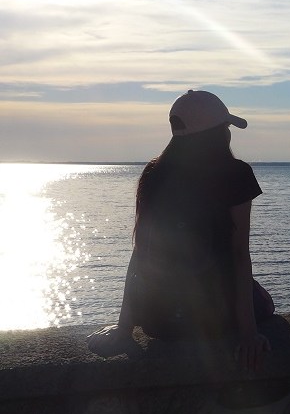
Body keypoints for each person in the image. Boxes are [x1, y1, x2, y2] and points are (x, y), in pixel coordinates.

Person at [87, 90, 274, 371]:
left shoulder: (153, 174)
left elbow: (140, 253)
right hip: (216, 319)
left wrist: (124, 327)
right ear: (217, 132)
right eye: (225, 126)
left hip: (159, 321)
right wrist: (248, 334)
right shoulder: (236, 174)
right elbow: (238, 254)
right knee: (264, 300)